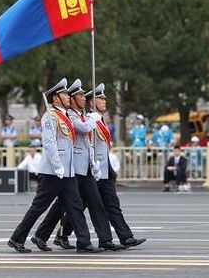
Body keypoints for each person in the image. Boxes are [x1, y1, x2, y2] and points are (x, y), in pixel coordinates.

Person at [7, 78, 101, 253]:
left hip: (68, 172)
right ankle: (16, 238)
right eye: (64, 94)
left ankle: (84, 242)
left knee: (75, 206)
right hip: (53, 172)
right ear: (56, 98)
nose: (67, 96)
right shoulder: (50, 116)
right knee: (39, 207)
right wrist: (57, 165)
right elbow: (50, 143)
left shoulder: (64, 116)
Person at [49, 84, 146, 250]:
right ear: (92, 102)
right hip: (88, 169)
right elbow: (86, 141)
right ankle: (58, 233)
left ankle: (123, 237)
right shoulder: (86, 118)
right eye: (100, 98)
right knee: (71, 205)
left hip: (100, 168)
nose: (104, 101)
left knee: (107, 205)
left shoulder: (98, 118)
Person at [31, 79, 121, 252]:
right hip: (72, 168)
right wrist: (93, 119)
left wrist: (93, 162)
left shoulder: (80, 115)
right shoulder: (70, 116)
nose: (83, 97)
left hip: (83, 168)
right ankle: (45, 235)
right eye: (79, 95)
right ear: (71, 99)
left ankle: (104, 240)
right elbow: (82, 130)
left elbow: (89, 143)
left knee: (93, 203)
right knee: (63, 206)